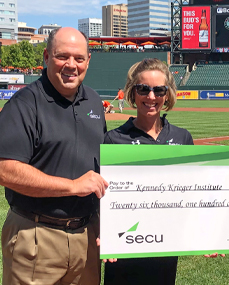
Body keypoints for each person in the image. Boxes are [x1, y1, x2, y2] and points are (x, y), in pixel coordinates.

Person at [0, 27, 108, 285]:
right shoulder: (24, 104)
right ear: (47, 57)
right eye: (62, 56)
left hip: (86, 234)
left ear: (88, 61)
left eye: (79, 58)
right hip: (36, 234)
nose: (71, 65)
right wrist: (72, 187)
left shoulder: (93, 102)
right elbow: (5, 169)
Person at [103, 58, 193, 284]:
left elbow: (195, 194)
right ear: (133, 93)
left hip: (164, 250)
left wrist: (209, 236)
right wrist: (106, 235)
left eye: (158, 90)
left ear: (167, 94)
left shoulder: (183, 138)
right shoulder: (113, 140)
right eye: (143, 89)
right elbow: (101, 198)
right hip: (124, 251)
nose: (151, 97)